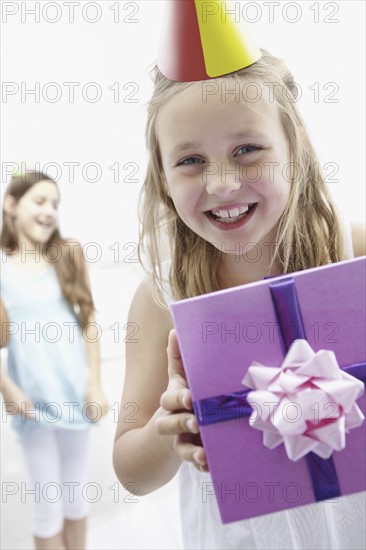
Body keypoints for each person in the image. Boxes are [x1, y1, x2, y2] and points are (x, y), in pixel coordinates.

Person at [113, 47, 366, 549]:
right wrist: (169, 429)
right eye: (190, 160)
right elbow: (132, 475)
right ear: (163, 180)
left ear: (294, 149)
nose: (223, 183)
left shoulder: (352, 252)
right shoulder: (162, 299)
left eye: (247, 149)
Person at [0, 170, 109, 550]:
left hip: (75, 394)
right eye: (40, 201)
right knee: (46, 503)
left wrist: (95, 385)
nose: (50, 212)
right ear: (12, 206)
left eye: (55, 204)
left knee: (76, 494)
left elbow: (89, 320)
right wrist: (8, 389)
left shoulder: (68, 255)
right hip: (32, 404)